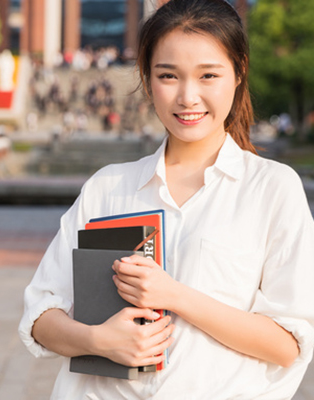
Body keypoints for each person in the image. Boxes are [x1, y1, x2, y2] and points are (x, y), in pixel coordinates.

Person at [18, 0, 314, 398]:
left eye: (208, 75)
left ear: (239, 71)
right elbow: (40, 314)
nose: (188, 97)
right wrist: (97, 341)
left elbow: (287, 344)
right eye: (168, 76)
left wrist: (174, 295)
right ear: (147, 77)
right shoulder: (109, 188)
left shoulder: (272, 189)